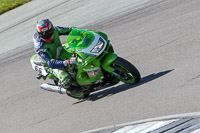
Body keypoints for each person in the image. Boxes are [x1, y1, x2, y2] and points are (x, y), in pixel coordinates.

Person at [33, 19, 79, 94]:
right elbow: (50, 63)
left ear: (51, 29)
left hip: (61, 52)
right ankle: (69, 89)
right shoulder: (40, 46)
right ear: (39, 34)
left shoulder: (56, 30)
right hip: (51, 64)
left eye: (49, 33)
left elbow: (71, 30)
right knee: (66, 78)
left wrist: (85, 32)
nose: (47, 36)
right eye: (43, 34)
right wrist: (66, 62)